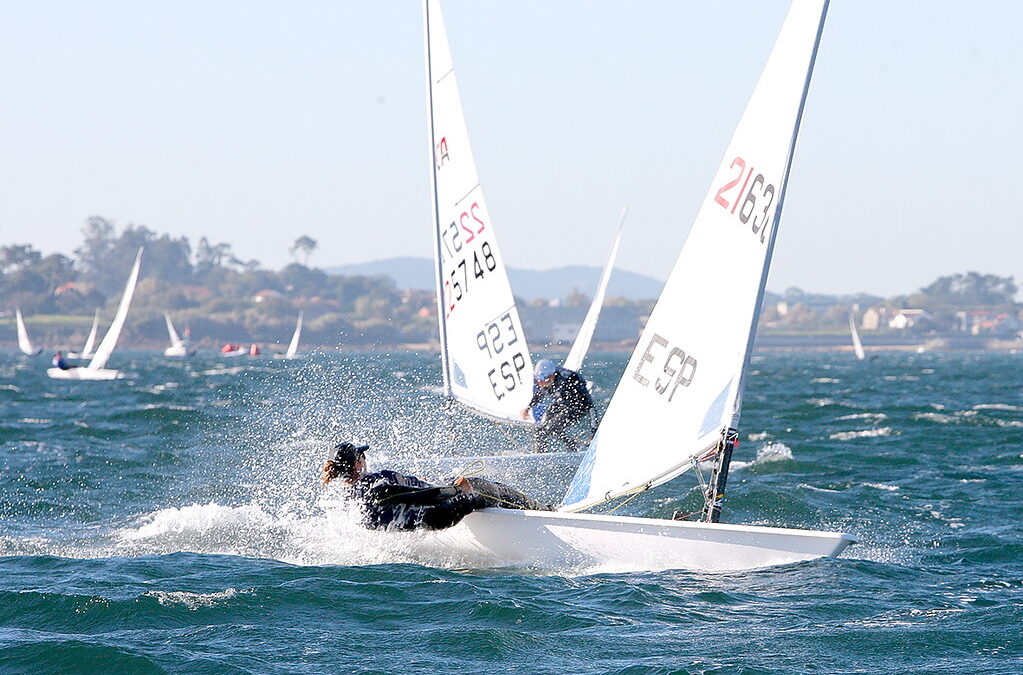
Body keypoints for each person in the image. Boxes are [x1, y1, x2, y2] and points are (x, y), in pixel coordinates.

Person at [321, 442, 551, 531]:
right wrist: (458, 490)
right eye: (362, 456)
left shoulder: (351, 493)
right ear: (357, 463)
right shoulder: (376, 487)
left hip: (425, 517)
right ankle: (543, 511)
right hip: (438, 515)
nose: (365, 459)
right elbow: (422, 498)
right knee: (479, 488)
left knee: (458, 480)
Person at [520, 359, 594, 452]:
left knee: (552, 427)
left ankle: (574, 449)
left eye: (543, 379)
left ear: (553, 375)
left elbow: (590, 406)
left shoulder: (569, 381)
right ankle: (539, 453)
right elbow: (539, 394)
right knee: (541, 427)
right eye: (538, 380)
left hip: (578, 407)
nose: (540, 383)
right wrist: (528, 408)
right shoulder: (544, 381)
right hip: (562, 403)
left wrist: (593, 431)